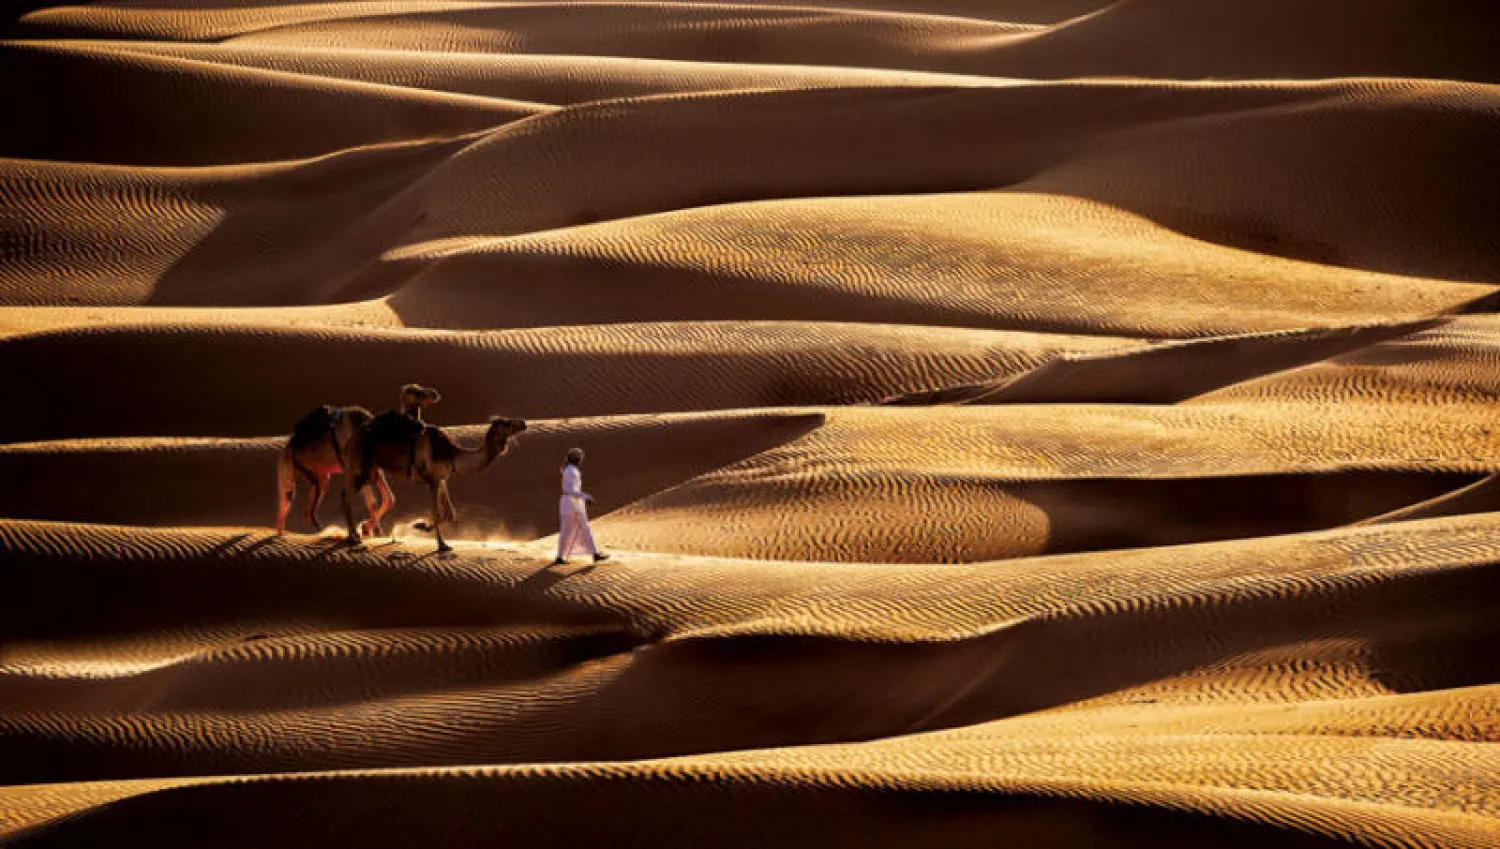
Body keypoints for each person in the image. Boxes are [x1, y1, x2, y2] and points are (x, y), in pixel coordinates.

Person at [553, 448, 609, 566]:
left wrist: (583, 497)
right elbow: (569, 490)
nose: (581, 460)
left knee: (583, 528)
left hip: (573, 504)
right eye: (579, 458)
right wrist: (586, 496)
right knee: (567, 530)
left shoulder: (570, 470)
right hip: (571, 504)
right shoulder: (570, 471)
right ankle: (560, 557)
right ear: (576, 459)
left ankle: (594, 554)